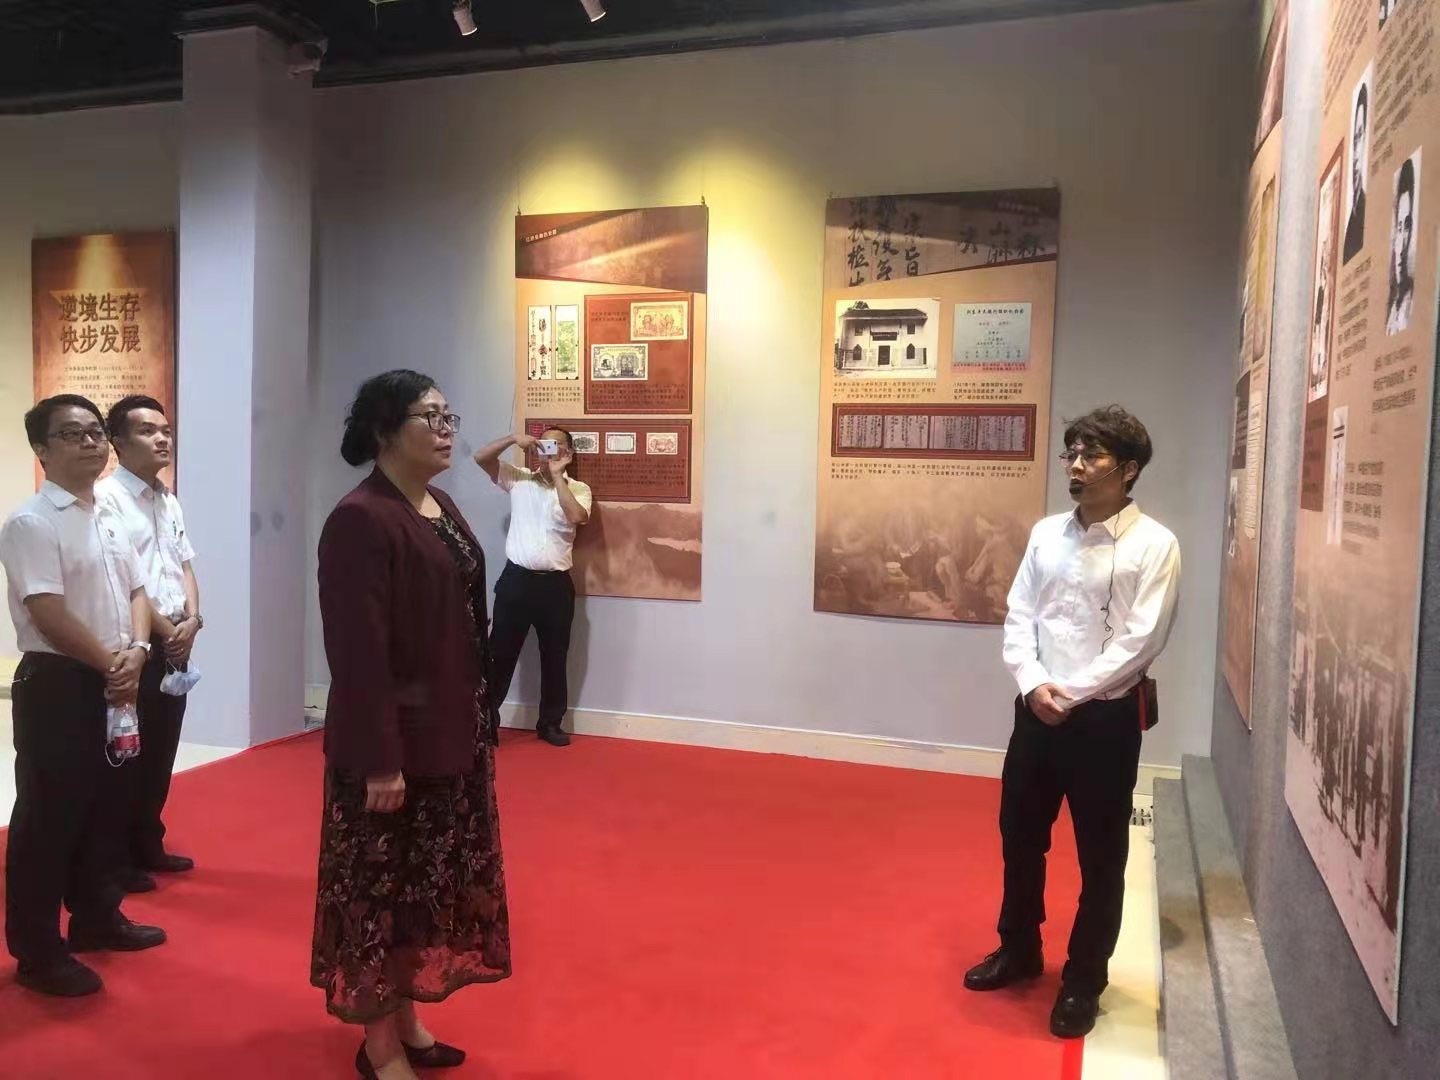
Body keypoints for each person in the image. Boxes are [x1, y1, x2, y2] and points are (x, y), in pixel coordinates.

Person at [312, 370, 510, 1080]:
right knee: (377, 894)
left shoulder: (438, 504)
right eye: (430, 417)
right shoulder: (360, 518)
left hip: (451, 735)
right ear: (384, 431)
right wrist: (379, 759)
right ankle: (379, 1046)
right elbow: (358, 653)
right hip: (393, 747)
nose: (447, 428)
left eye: (449, 415)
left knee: (420, 895)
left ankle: (406, 1019)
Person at [964, 405, 1181, 1039]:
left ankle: (1084, 979)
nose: (1077, 467)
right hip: (1036, 713)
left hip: (1104, 722)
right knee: (1020, 836)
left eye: (1092, 455)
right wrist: (1033, 684)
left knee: (1101, 856)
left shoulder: (1155, 544)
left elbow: (1143, 639)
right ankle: (1019, 947)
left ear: (1129, 469)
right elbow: (1019, 614)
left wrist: (1073, 693)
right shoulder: (1046, 534)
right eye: (1072, 454)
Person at [0, 395, 167, 998]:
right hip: (60, 683)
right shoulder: (32, 522)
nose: (91, 443)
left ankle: (98, 916)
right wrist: (111, 664)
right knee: (49, 818)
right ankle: (38, 950)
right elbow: (46, 610)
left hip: (119, 675)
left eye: (96, 432)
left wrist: (138, 651)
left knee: (107, 805)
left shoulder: (110, 514)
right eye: (72, 435)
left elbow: (139, 591)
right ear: (41, 449)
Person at [97, 395, 201, 892]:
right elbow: (126, 582)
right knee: (126, 752)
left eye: (166, 430)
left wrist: (193, 619)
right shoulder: (107, 499)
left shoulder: (167, 498)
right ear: (118, 442)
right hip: (138, 641)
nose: (162, 438)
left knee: (161, 748)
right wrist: (165, 630)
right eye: (148, 431)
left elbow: (185, 564)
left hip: (177, 639)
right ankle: (115, 857)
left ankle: (147, 842)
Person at [472, 427, 592, 747]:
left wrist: (557, 477)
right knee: (499, 654)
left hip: (556, 587)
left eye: (556, 444)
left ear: (568, 453)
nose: (548, 449)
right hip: (516, 582)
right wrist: (513, 439)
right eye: (544, 443)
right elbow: (480, 458)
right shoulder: (518, 478)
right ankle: (486, 720)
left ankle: (550, 723)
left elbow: (576, 516)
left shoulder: (578, 489)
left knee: (554, 656)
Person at [1386, 156, 1417, 335]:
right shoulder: (1393, 309)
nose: (1401, 244)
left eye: (1406, 227)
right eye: (1399, 228)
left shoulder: (1411, 304)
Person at [1344, 82, 1369, 265]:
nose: (1355, 152)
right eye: (1355, 138)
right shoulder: (1351, 219)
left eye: (1360, 135)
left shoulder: (1364, 212)